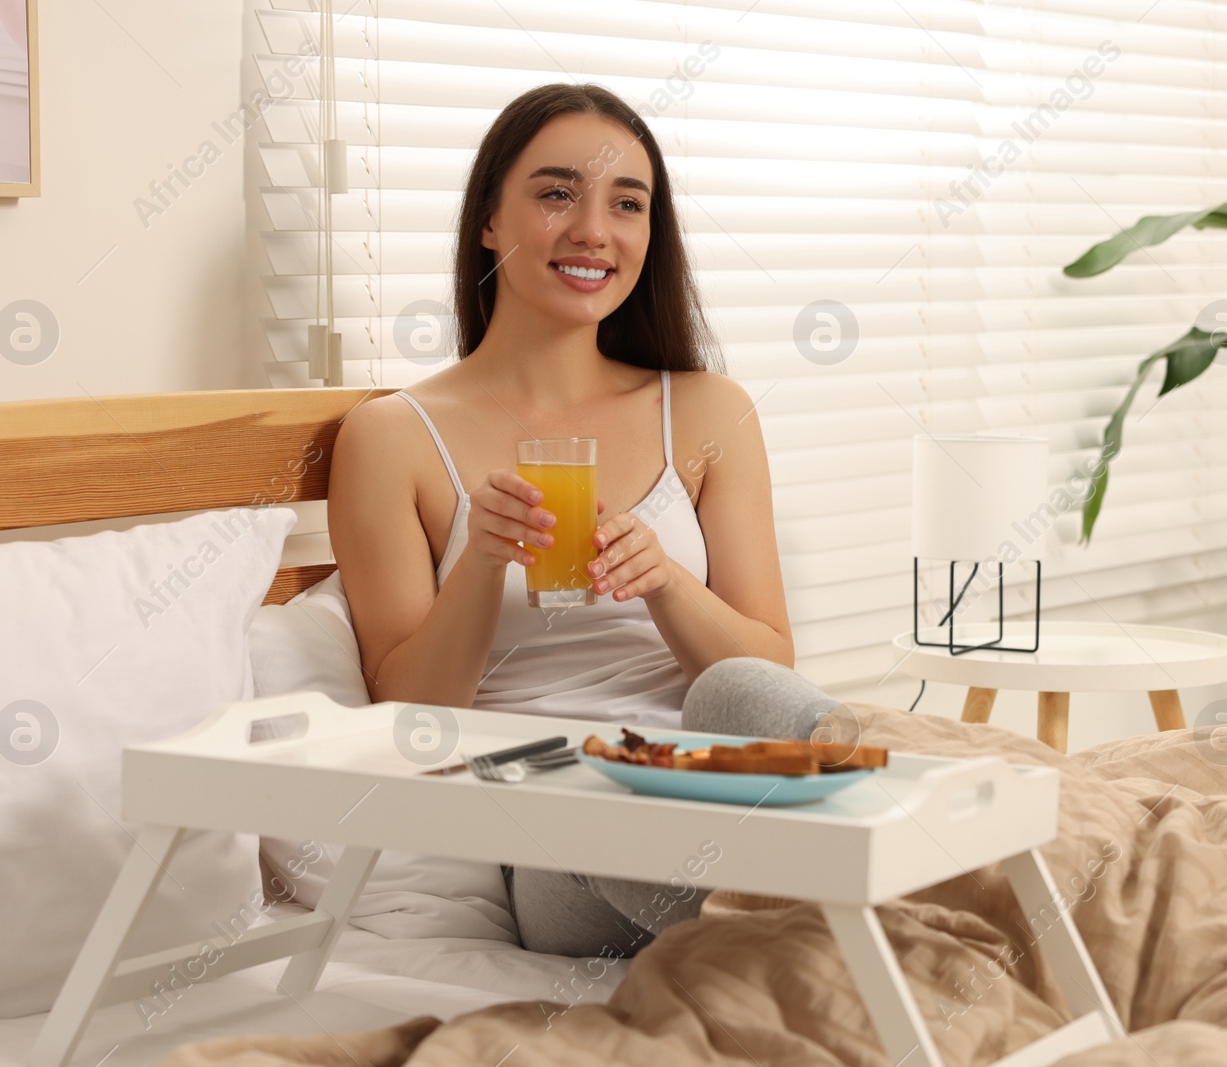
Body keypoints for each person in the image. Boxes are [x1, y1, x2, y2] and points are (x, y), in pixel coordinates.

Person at [328, 83, 845, 959]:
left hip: (707, 765)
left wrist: (666, 581)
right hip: (549, 809)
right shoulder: (392, 437)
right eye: (557, 193)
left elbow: (770, 664)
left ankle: (814, 887)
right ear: (489, 219)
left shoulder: (710, 411)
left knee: (735, 693)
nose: (594, 231)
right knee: (610, 805)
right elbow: (410, 714)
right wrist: (482, 564)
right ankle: (832, 899)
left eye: (627, 203)